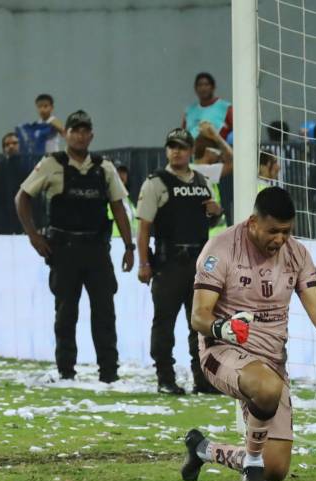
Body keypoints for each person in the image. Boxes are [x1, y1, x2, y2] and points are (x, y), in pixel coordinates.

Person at [182, 186, 316, 481]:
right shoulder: (220, 249)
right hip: (222, 351)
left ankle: (203, 449)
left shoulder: (297, 254)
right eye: (273, 231)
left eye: (286, 231)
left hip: (273, 361)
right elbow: (199, 316)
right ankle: (251, 465)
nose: (280, 239)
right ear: (253, 223)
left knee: (274, 468)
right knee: (266, 386)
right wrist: (224, 328)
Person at [15, 110, 135, 382]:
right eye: (75, 130)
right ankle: (66, 371)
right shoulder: (51, 164)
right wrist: (34, 236)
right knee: (66, 314)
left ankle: (109, 373)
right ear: (66, 133)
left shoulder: (104, 167)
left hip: (96, 250)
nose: (80, 135)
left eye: (85, 131)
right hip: (64, 250)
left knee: (105, 313)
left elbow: (118, 206)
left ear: (91, 135)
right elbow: (22, 198)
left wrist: (129, 246)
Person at [136, 128, 223, 395]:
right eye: (172, 146)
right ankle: (165, 378)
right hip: (168, 261)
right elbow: (144, 228)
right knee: (164, 323)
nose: (176, 151)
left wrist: (216, 213)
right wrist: (143, 263)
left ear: (190, 151)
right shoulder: (156, 182)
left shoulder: (201, 180)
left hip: (198, 262)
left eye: (182, 147)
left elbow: (212, 217)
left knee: (199, 322)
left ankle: (203, 378)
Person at [192, 121, 234, 236]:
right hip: (211, 236)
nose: (220, 156)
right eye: (217, 152)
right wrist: (216, 136)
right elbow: (232, 161)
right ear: (209, 152)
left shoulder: (191, 170)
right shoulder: (206, 170)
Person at [0, 132, 30, 234]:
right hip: (3, 216)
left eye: (14, 143)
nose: (11, 146)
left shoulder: (27, 165)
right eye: (7, 144)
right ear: (3, 148)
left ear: (19, 145)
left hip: (23, 215)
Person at [182, 72, 233, 141]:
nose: (203, 88)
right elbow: (182, 135)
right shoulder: (189, 111)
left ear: (213, 87)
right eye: (200, 85)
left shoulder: (225, 108)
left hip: (216, 148)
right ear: (195, 88)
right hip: (190, 148)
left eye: (206, 85)